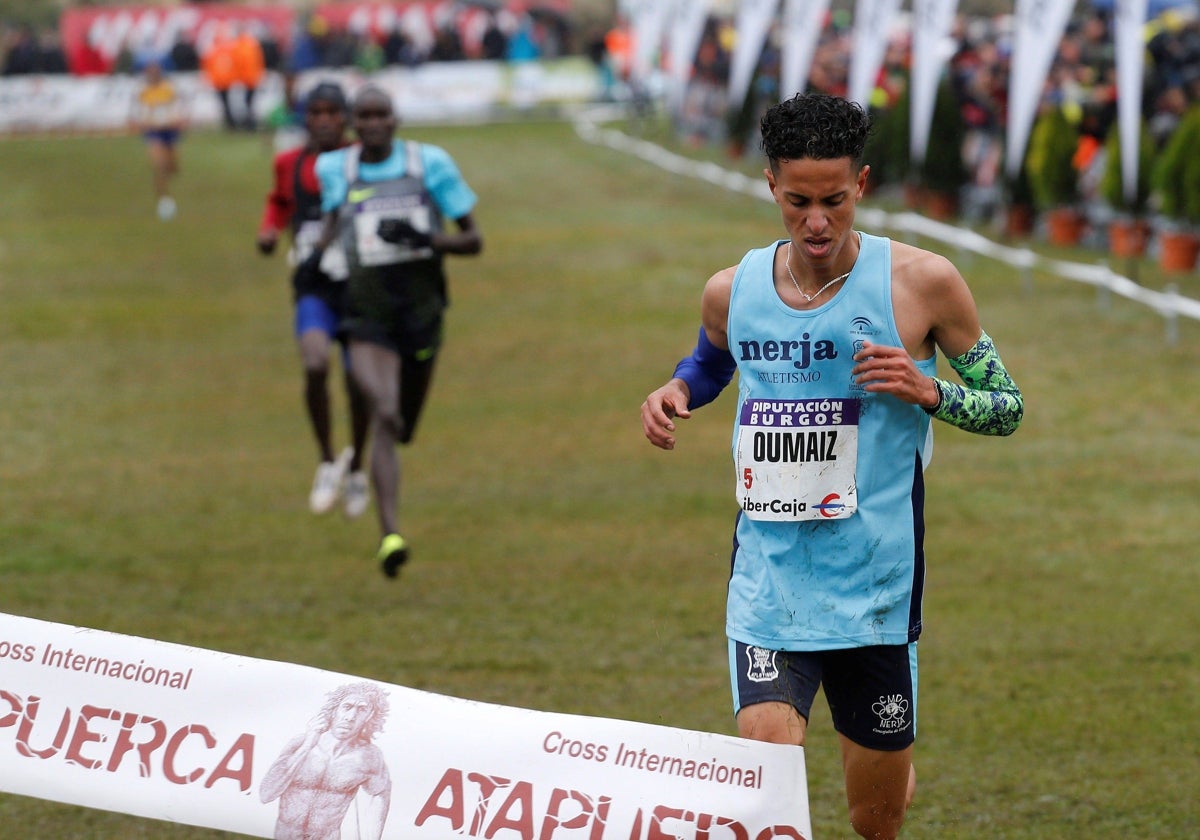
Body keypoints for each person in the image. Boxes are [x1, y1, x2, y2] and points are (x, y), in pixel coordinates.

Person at [639, 93, 1023, 839]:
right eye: (798, 202)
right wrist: (678, 388)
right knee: (766, 764)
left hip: (876, 587)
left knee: (874, 820)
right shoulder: (735, 289)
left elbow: (1006, 404)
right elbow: (713, 358)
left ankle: (890, 766)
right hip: (769, 578)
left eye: (835, 201)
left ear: (864, 184)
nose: (817, 222)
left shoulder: (922, 283)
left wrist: (928, 388)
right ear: (770, 186)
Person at [310, 85, 482, 578]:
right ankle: (390, 534)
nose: (372, 124)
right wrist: (313, 262)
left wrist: (424, 239)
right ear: (352, 122)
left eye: (381, 114)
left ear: (395, 118)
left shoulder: (429, 164)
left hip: (421, 316)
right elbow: (330, 224)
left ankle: (384, 475)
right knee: (384, 414)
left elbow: (473, 240)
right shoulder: (335, 169)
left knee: (403, 424)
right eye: (362, 117)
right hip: (365, 316)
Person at [257, 82, 370, 517]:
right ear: (304, 118)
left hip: (360, 285)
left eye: (332, 112)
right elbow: (279, 204)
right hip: (313, 284)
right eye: (315, 112)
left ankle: (357, 466)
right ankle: (326, 459)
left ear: (345, 118)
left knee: (359, 382)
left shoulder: (363, 159)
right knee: (315, 362)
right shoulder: (289, 163)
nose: (323, 120)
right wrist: (268, 232)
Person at [260, 682, 392, 839]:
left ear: (369, 716)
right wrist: (308, 745)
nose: (351, 717)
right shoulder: (300, 743)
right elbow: (266, 794)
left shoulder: (368, 756)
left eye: (362, 709)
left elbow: (380, 796)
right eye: (347, 706)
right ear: (334, 710)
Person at [129, 60, 186, 221]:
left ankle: (166, 185)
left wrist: (180, 120)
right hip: (153, 131)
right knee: (158, 165)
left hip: (170, 130)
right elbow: (135, 113)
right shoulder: (142, 91)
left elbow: (180, 107)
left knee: (173, 166)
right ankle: (164, 199)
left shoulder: (169, 88)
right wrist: (141, 124)